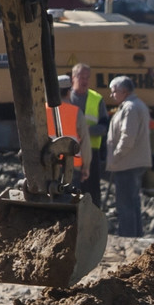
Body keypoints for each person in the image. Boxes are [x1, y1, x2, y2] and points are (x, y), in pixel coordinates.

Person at [106, 76, 151, 237]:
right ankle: (135, 235)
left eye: (114, 91)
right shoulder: (135, 105)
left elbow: (127, 137)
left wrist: (116, 156)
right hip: (133, 161)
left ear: (123, 91)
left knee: (125, 204)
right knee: (133, 202)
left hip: (128, 162)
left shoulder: (130, 108)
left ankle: (128, 236)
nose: (112, 95)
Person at [68, 63, 109, 206]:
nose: (84, 81)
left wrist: (86, 131)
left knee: (91, 193)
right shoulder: (66, 99)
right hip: (70, 153)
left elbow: (104, 126)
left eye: (87, 78)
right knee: (71, 192)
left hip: (92, 151)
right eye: (81, 77)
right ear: (73, 78)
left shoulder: (96, 99)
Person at [46, 74, 90, 187]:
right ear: (69, 92)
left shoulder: (42, 111)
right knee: (69, 201)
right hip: (72, 166)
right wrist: (86, 167)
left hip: (48, 164)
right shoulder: (76, 112)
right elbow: (85, 142)